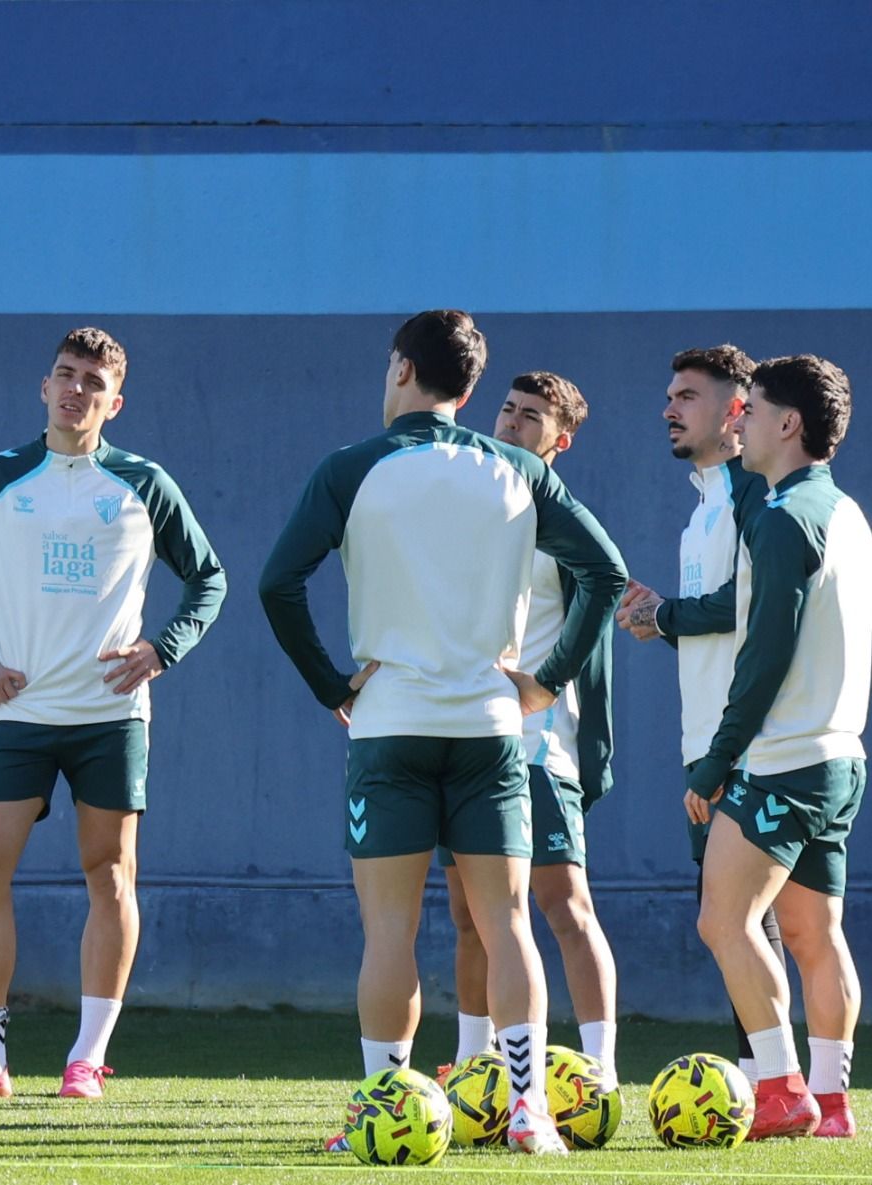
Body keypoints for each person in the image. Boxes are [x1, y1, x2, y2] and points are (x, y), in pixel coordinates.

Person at [258, 311, 626, 1156]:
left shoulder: (353, 467)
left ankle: (377, 1111)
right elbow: (605, 572)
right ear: (467, 390)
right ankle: (530, 1112)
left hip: (388, 726)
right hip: (492, 730)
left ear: (400, 369)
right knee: (507, 923)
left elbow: (278, 585)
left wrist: (330, 685)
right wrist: (546, 678)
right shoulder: (517, 469)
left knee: (389, 931)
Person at [0, 327, 226, 1102]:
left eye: (93, 380)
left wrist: (164, 647)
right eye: (65, 375)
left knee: (110, 872)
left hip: (112, 717)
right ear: (43, 387)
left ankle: (87, 1055)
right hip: (18, 715)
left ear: (115, 400)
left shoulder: (144, 482)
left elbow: (208, 579)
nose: (76, 389)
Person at [679, 354, 872, 1140]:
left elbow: (764, 656)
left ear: (788, 423)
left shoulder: (781, 517)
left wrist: (717, 759)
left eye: (751, 408)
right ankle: (830, 1104)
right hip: (841, 757)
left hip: (786, 758)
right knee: (812, 935)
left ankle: (779, 1086)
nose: (740, 420)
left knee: (723, 921)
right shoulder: (849, 513)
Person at [438, 372, 619, 1091]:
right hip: (463, 737)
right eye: (507, 410)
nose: (511, 424)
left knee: (563, 904)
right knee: (467, 914)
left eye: (531, 416)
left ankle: (600, 1069)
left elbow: (596, 627)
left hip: (539, 747)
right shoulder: (469, 511)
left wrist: (569, 721)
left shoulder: (564, 525)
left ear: (560, 440)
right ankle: (477, 1065)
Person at [616, 345, 783, 1086]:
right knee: (740, 919)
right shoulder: (705, 503)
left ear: (735, 410)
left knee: (749, 919)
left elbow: (754, 605)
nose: (669, 408)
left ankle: (784, 1082)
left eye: (687, 395)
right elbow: (717, 616)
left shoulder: (752, 492)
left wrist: (668, 613)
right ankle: (770, 1079)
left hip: (749, 744)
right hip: (708, 742)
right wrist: (662, 617)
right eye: (670, 394)